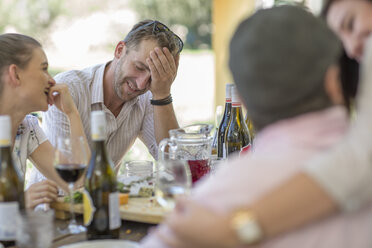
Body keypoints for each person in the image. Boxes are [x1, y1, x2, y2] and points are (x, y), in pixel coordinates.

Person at [145, 2, 372, 247]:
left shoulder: (209, 205)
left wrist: (232, 228)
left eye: (351, 23)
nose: (357, 46)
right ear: (335, 81)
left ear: (239, 98)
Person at [26, 19, 183, 184]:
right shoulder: (69, 91)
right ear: (119, 50)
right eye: (139, 67)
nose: (141, 83)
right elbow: (71, 181)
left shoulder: (148, 98)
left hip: (103, 204)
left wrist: (163, 94)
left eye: (153, 76)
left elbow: (175, 164)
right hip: (54, 205)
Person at [0, 33, 88, 209]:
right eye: (44, 68)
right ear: (15, 74)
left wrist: (72, 114)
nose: (52, 80)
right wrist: (20, 203)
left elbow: (78, 184)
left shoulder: (26, 129)